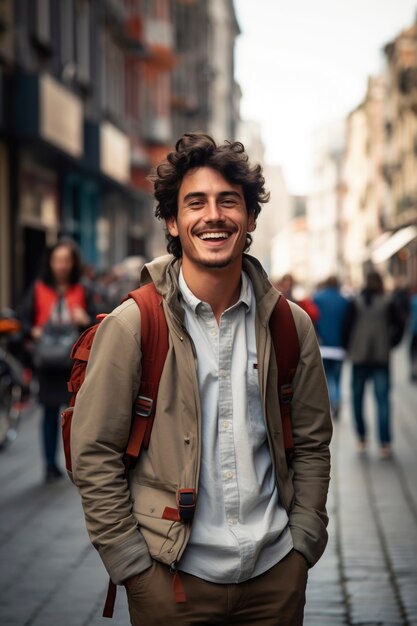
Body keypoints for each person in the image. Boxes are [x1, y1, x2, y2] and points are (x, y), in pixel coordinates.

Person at [71, 133, 332, 625]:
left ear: (250, 218)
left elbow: (314, 444)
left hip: (275, 578)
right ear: (173, 220)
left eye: (228, 201)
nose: (213, 216)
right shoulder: (134, 324)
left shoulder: (290, 325)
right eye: (195, 203)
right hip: (171, 585)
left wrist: (303, 543)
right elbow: (93, 452)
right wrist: (131, 565)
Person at [20, 238, 95, 482]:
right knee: (49, 414)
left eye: (66, 260)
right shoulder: (38, 288)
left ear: (73, 263)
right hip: (48, 363)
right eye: (57, 260)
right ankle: (50, 466)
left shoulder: (83, 289)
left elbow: (101, 322)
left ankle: (77, 464)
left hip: (74, 363)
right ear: (50, 262)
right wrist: (33, 331)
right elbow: (24, 320)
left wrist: (85, 319)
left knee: (77, 415)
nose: (61, 265)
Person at [343, 271, 404, 459]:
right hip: (380, 358)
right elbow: (400, 326)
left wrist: (350, 347)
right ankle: (384, 443)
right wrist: (389, 343)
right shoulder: (388, 302)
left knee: (357, 399)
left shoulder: (356, 302)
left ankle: (362, 438)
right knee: (383, 401)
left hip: (359, 358)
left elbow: (346, 327)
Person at [313, 276, 350, 419]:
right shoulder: (345, 300)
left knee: (327, 377)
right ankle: (337, 400)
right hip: (339, 347)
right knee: (338, 377)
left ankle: (332, 402)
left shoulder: (318, 299)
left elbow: (313, 320)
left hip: (323, 346)